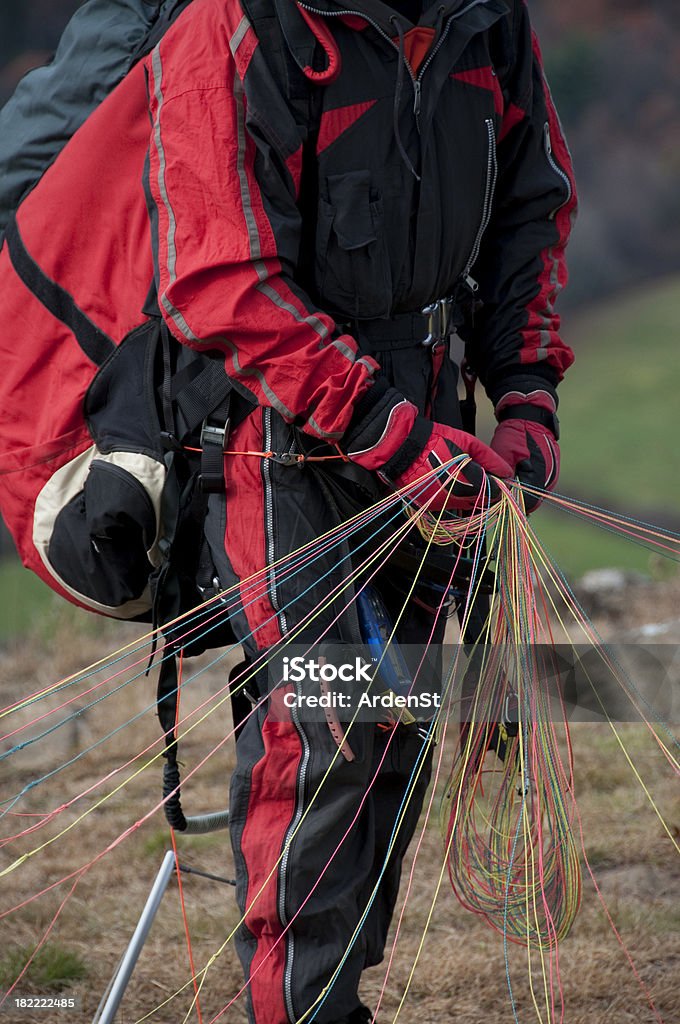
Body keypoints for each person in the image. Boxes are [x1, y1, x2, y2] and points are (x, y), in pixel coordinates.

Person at [143, 0, 576, 1020]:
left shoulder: (485, 19)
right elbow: (223, 282)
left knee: (400, 726)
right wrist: (381, 429)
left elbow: (532, 205)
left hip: (439, 429)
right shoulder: (235, 30)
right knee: (329, 730)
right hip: (281, 442)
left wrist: (526, 391)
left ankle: (331, 995)